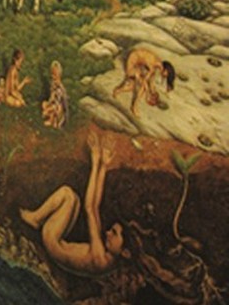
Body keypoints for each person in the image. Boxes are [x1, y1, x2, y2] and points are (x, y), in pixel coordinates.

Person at [20, 132, 127, 275]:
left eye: (114, 233)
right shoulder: (108, 260)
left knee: (68, 195)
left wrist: (95, 161)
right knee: (75, 199)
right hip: (60, 240)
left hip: (51, 241)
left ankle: (35, 219)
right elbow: (95, 207)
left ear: (125, 252)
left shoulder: (100, 259)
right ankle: (39, 218)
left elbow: (89, 209)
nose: (107, 233)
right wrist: (103, 167)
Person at [111, 47, 176, 116]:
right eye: (167, 74)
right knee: (143, 87)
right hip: (132, 62)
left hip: (138, 65)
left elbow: (151, 79)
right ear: (166, 70)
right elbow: (145, 80)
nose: (165, 76)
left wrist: (153, 91)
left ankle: (117, 91)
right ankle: (134, 106)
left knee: (131, 86)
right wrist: (148, 93)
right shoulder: (154, 65)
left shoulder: (157, 65)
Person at [41, 60, 68, 129]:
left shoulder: (59, 87)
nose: (53, 77)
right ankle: (50, 119)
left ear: (59, 75)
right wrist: (48, 104)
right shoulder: (53, 85)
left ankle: (53, 121)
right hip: (54, 104)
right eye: (52, 74)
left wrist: (49, 108)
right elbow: (52, 97)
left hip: (59, 109)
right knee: (44, 104)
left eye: (55, 75)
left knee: (55, 108)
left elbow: (58, 102)